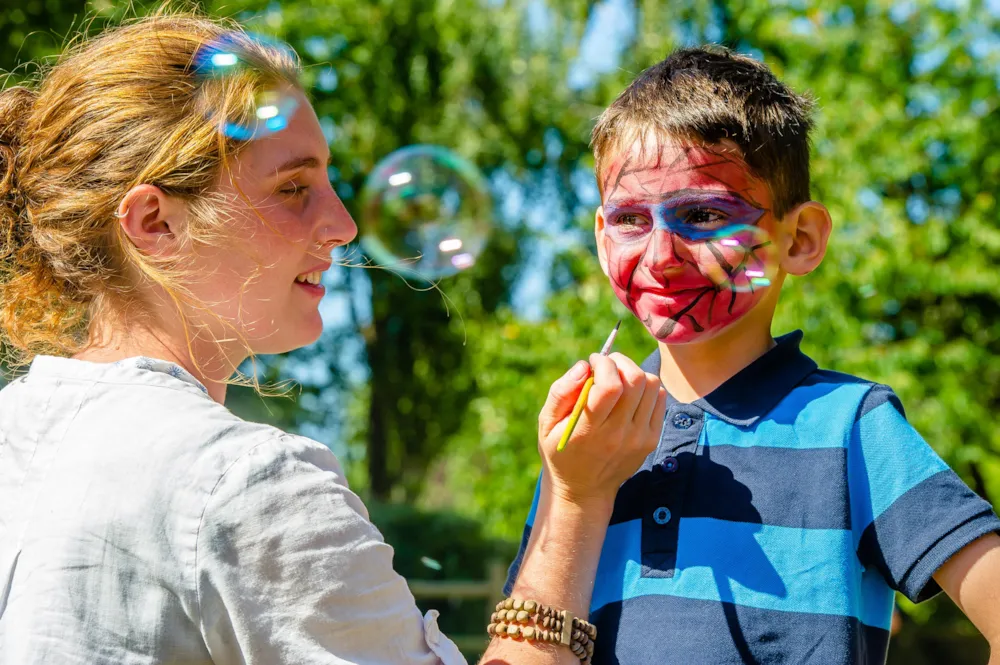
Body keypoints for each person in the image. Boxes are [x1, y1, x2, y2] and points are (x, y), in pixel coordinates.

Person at [0, 11, 667, 665]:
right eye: (294, 186)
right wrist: (575, 499)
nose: (343, 223)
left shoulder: (15, 429)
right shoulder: (246, 486)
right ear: (156, 222)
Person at [503, 46, 1000, 664]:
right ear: (602, 241)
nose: (659, 256)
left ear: (801, 239)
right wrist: (571, 490)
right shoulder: (588, 444)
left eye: (703, 214)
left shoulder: (852, 425)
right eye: (630, 219)